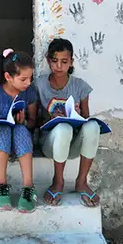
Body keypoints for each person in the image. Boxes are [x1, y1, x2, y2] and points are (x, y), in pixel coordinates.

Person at [35, 38, 100, 207]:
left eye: (64, 62)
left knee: (93, 126)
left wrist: (78, 115)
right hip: (51, 143)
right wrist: (51, 118)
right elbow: (34, 119)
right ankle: (58, 181)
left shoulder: (80, 86)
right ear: (48, 61)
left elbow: (87, 118)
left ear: (71, 62)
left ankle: (82, 181)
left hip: (74, 144)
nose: (59, 66)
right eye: (55, 61)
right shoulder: (40, 84)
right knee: (63, 127)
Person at [0, 48, 38, 213]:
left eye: (30, 78)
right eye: (23, 79)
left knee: (21, 130)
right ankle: (1, 186)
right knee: (2, 129)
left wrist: (23, 122)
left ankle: (28, 188)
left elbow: (33, 122)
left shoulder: (29, 93)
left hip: (22, 142)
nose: (28, 82)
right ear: (8, 77)